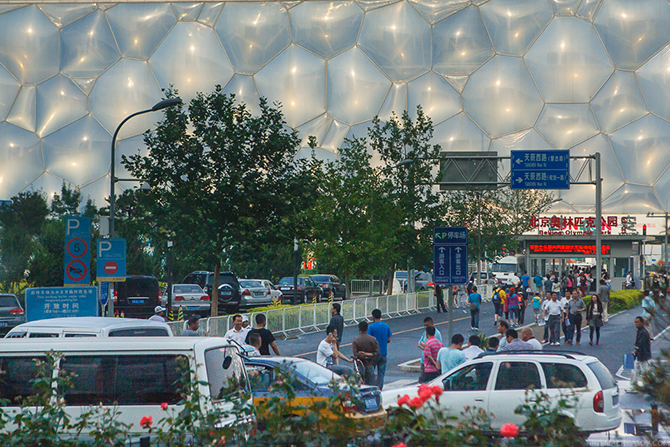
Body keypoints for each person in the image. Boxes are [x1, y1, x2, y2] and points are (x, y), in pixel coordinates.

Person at [367, 309, 392, 389]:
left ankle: (372, 388)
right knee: (381, 373)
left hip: (374, 353)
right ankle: (379, 388)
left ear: (373, 316)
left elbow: (369, 340)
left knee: (371, 373)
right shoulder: (386, 326)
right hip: (383, 353)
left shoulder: (371, 327)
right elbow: (389, 339)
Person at [352, 321, 380, 386]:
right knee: (371, 384)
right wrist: (368, 355)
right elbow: (377, 353)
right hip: (370, 364)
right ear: (367, 329)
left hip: (359, 365)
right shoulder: (373, 339)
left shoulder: (355, 340)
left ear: (358, 329)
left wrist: (362, 354)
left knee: (358, 385)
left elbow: (355, 354)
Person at [632, 316, 652, 386]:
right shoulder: (640, 331)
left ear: (642, 323)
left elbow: (641, 343)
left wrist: (635, 350)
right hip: (640, 355)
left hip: (643, 355)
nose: (636, 324)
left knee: (644, 371)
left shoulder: (643, 332)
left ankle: (647, 386)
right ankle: (634, 386)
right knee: (635, 371)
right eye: (635, 322)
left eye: (637, 322)